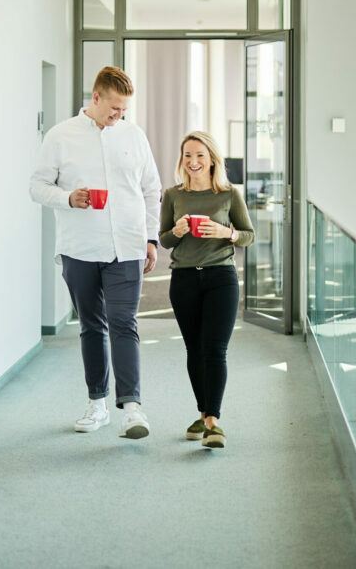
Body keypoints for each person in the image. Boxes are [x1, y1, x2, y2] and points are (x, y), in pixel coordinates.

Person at [30, 66, 161, 439]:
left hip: (128, 245)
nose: (119, 116)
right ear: (96, 97)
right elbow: (37, 186)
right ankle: (97, 404)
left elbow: (152, 189)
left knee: (124, 323)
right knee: (91, 326)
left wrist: (150, 237)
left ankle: (132, 408)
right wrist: (68, 198)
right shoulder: (61, 136)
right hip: (80, 248)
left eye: (124, 110)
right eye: (114, 108)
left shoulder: (134, 136)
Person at [158, 131, 254, 449]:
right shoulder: (173, 195)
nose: (193, 161)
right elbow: (165, 240)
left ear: (212, 159)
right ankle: (202, 413)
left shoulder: (228, 195)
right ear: (182, 159)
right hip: (184, 279)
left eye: (200, 155)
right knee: (194, 350)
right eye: (188, 155)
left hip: (221, 278)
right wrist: (177, 230)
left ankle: (213, 421)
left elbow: (248, 235)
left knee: (215, 349)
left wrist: (227, 232)